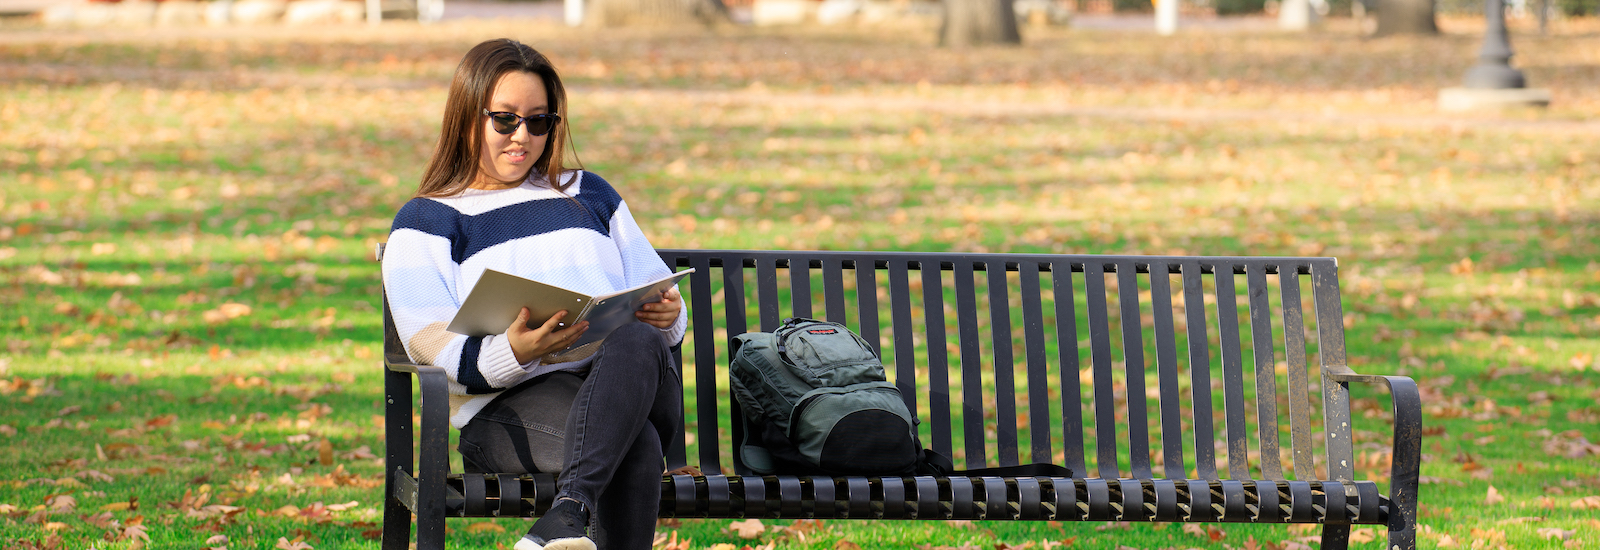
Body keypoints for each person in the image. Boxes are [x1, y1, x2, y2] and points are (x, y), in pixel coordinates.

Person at [381, 38, 686, 550]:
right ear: (466, 117)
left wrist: (668, 312)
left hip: (627, 380)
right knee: (636, 447)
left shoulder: (589, 193)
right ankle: (568, 519)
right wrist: (511, 353)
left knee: (639, 341)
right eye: (505, 120)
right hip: (509, 408)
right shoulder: (429, 220)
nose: (522, 137)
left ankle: (564, 516)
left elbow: (656, 290)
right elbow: (425, 341)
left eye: (538, 122)